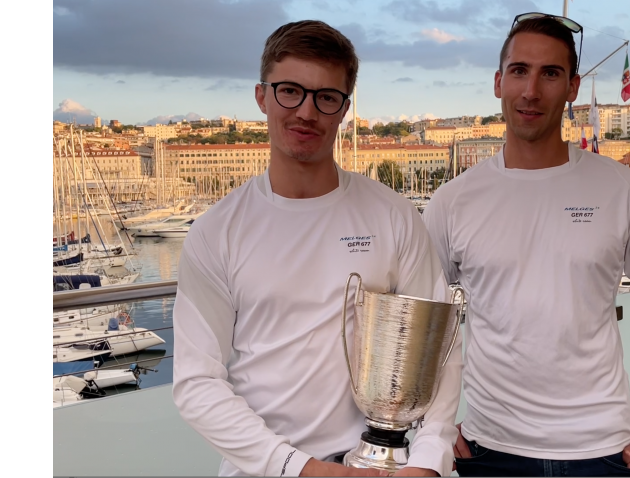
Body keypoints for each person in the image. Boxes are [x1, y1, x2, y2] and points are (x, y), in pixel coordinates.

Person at [422, 13, 630, 478]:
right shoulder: (454, 201)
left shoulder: (624, 191)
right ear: (498, 82)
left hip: (603, 451)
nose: (531, 91)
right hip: (488, 452)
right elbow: (417, 320)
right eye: (519, 71)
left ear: (573, 86)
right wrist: (427, 426)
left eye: (550, 73)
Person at [172, 20, 461, 478]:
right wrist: (301, 468)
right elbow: (197, 383)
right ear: (262, 96)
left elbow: (441, 344)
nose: (307, 112)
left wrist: (427, 461)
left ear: (344, 109)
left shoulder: (392, 215)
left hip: (382, 465)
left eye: (326, 97)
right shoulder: (216, 231)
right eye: (290, 91)